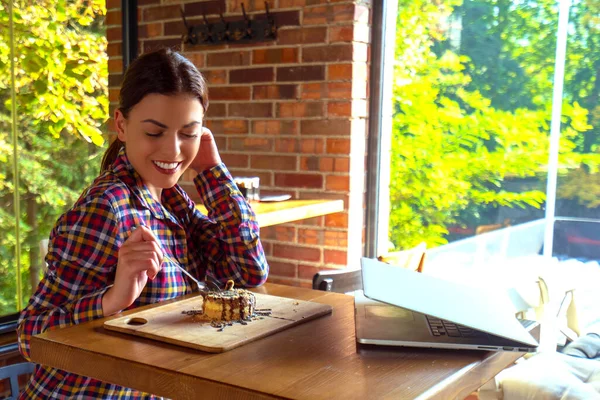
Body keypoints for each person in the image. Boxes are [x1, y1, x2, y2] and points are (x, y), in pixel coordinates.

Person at [17, 48, 269, 399]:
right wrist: (112, 299)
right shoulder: (107, 208)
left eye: (188, 133)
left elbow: (249, 273)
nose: (173, 150)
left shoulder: (175, 202)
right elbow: (30, 336)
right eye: (154, 132)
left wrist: (212, 173)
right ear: (121, 125)